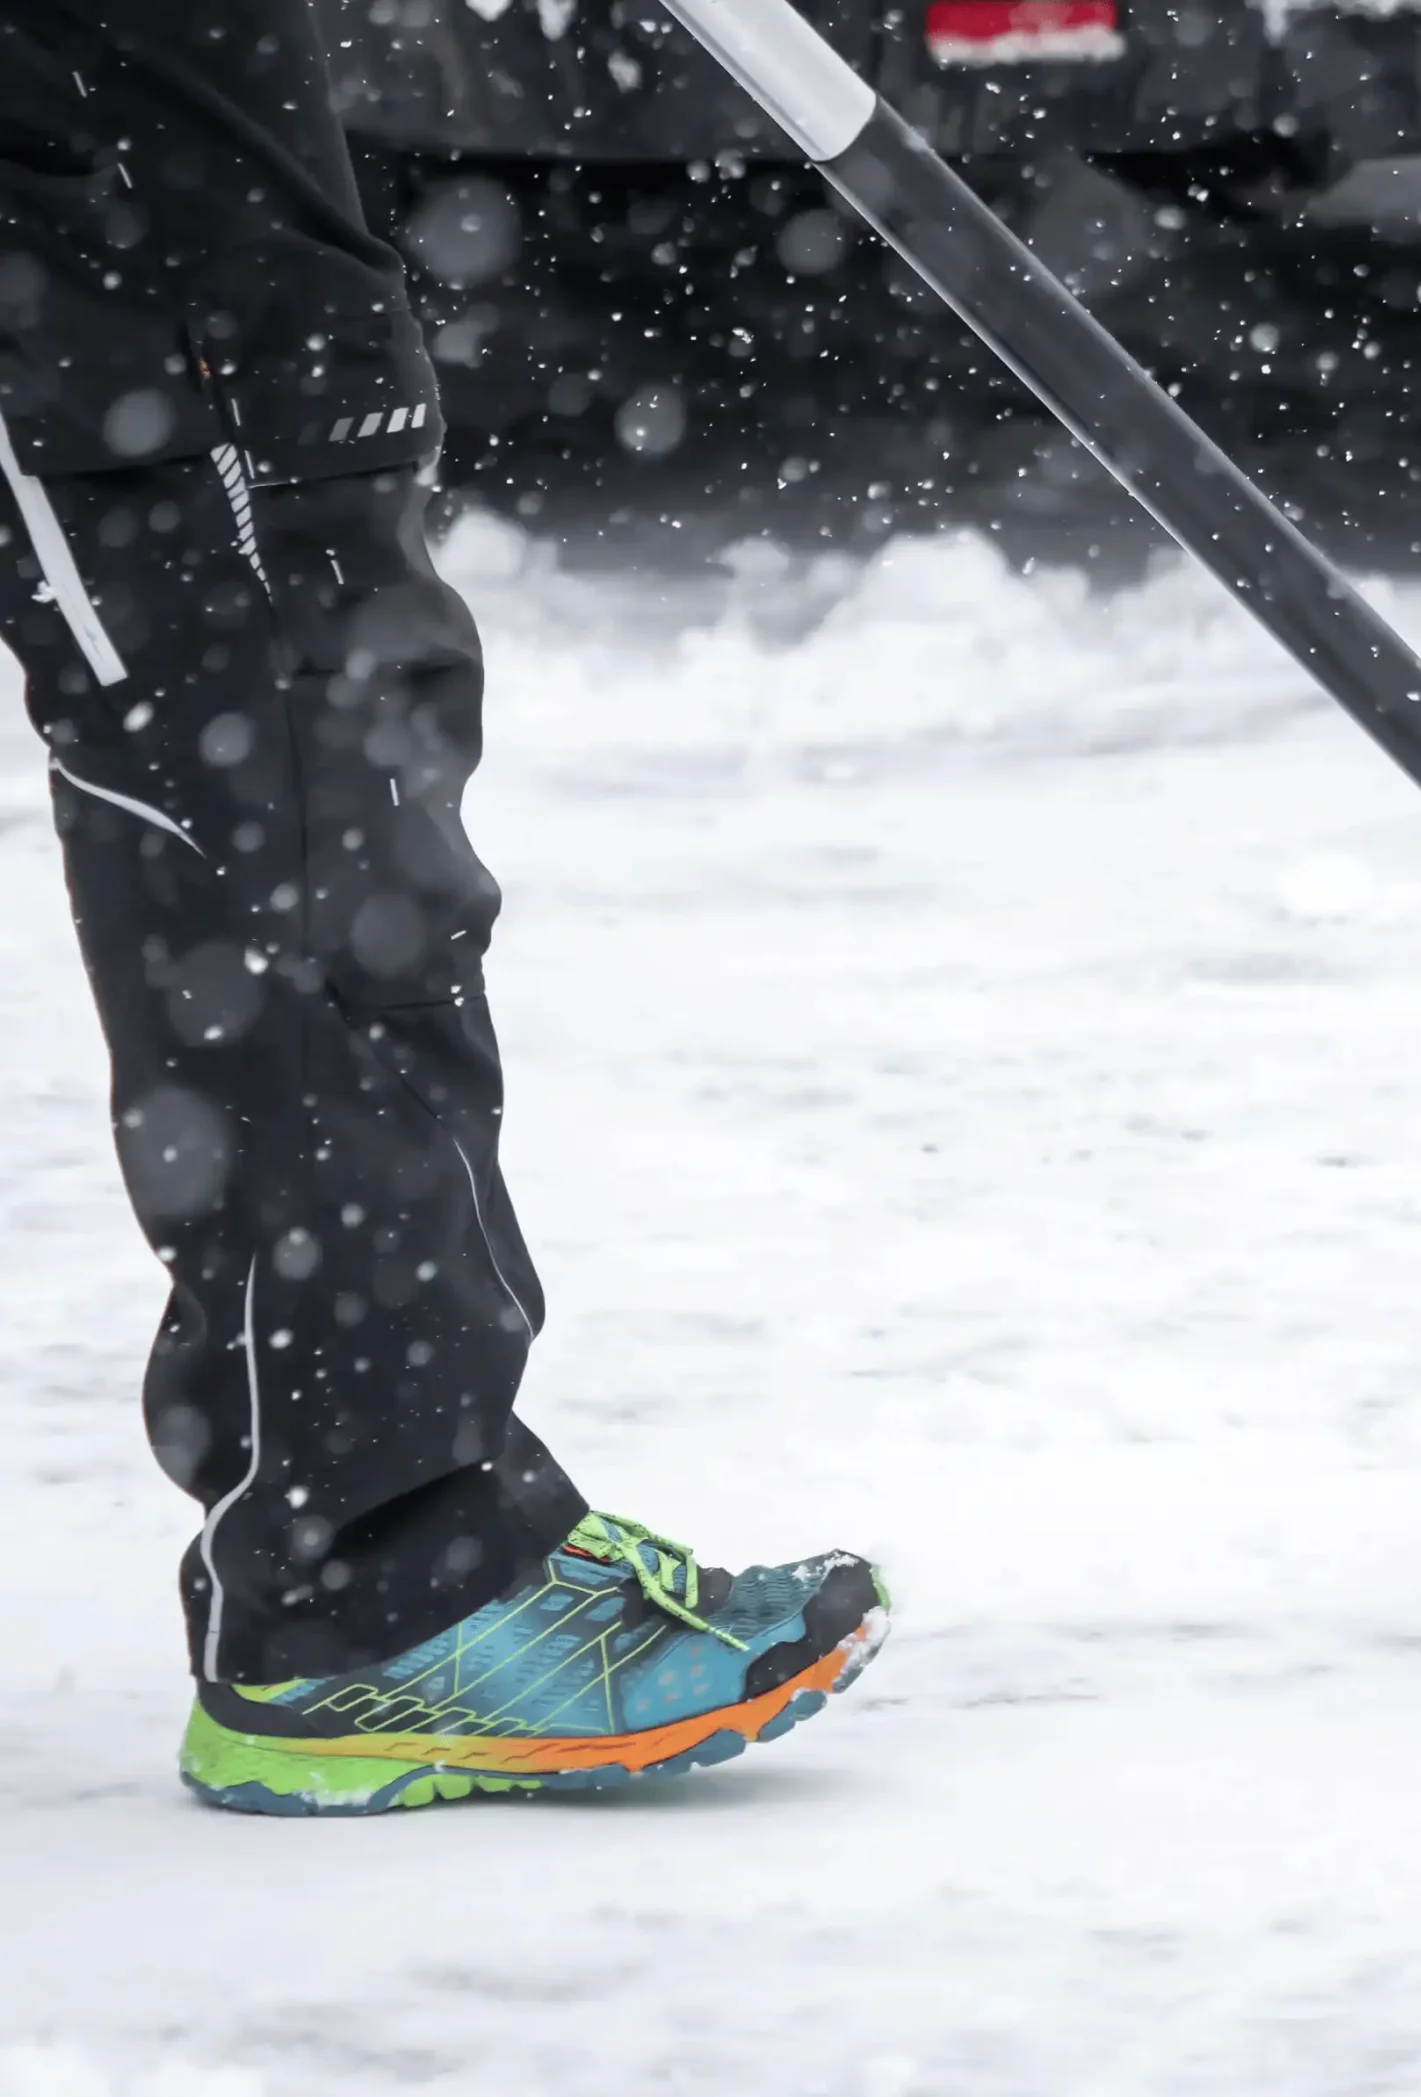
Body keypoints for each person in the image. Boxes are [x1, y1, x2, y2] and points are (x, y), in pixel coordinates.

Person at [0, 2, 887, 1813]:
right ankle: (374, 1589)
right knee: (307, 821)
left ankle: (373, 1559)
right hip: (136, 249)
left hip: (180, 231)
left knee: (328, 791)